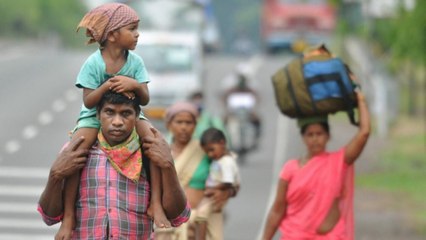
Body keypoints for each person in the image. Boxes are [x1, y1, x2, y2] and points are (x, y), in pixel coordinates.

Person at [61, 3, 169, 239]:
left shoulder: (135, 62)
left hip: (131, 113)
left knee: (154, 142)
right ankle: (68, 216)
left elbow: (145, 98)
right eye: (132, 29)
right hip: (94, 115)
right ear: (112, 35)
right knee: (75, 151)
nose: (137, 34)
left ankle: (156, 203)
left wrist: (134, 85)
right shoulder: (93, 63)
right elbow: (89, 101)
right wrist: (108, 85)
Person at [38, 91, 190, 239]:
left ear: (136, 116)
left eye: (126, 113)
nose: (117, 122)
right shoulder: (75, 152)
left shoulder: (150, 153)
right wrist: (55, 175)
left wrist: (168, 165)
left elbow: (178, 216)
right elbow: (49, 217)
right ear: (98, 114)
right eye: (109, 112)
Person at [261, 90, 370, 240]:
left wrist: (361, 101)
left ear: (328, 136)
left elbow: (364, 133)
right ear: (303, 137)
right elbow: (277, 211)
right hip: (294, 236)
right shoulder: (290, 169)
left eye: (319, 134)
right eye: (310, 135)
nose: (315, 139)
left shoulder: (338, 162)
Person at [155, 102, 238, 240]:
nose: (184, 127)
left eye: (189, 122)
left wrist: (228, 191)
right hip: (168, 225)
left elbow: (229, 176)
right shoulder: (160, 152)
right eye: (179, 122)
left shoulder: (206, 151)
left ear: (196, 125)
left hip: (200, 225)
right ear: (169, 124)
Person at [195, 127, 241, 240]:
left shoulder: (226, 162)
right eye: (207, 152)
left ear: (222, 143)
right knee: (215, 231)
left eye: (212, 150)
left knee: (201, 215)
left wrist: (213, 188)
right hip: (213, 194)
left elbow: (228, 182)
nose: (210, 154)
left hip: (215, 194)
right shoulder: (220, 160)